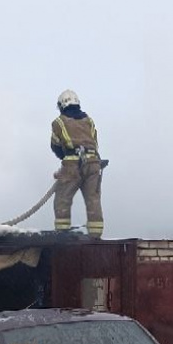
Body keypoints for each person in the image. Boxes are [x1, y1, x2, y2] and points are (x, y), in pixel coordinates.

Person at [49, 89, 104, 237]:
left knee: (62, 199)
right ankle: (95, 235)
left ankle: (62, 233)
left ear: (61, 105)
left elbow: (55, 145)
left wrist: (67, 159)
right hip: (93, 163)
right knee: (93, 200)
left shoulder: (58, 122)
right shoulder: (89, 121)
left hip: (72, 166)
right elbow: (95, 143)